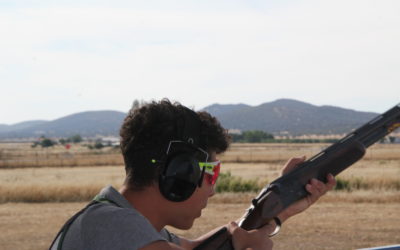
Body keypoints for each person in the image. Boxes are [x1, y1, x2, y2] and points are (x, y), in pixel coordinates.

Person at [50, 99, 336, 250]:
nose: (212, 189)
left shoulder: (134, 226)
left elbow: (199, 248)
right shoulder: (112, 225)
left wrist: (280, 207)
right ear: (181, 172)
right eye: (211, 173)